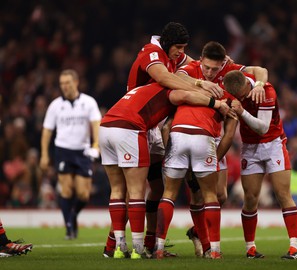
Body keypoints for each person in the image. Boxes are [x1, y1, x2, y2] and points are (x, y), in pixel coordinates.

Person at [102, 22, 224, 258]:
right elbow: (166, 79)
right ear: (168, 43)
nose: (181, 52)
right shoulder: (152, 51)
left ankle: (149, 244)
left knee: (157, 186)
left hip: (149, 125)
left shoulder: (174, 56)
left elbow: (195, 63)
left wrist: (224, 63)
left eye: (183, 48)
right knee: (131, 191)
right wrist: (202, 85)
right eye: (178, 47)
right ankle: (114, 246)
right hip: (135, 122)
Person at [175, 41, 268, 257]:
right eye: (206, 67)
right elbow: (176, 77)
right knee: (200, 195)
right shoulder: (193, 69)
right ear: (200, 60)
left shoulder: (230, 69)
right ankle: (208, 244)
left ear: (223, 63)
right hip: (192, 133)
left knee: (220, 195)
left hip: (215, 137)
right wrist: (200, 83)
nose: (209, 72)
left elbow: (261, 71)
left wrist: (260, 85)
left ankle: (197, 232)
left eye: (214, 69)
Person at [223, 70, 297, 260]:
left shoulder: (266, 91)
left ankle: (295, 248)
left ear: (246, 84)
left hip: (273, 144)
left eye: (242, 94)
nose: (240, 98)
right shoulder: (236, 88)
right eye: (237, 97)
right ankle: (250, 248)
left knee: (283, 194)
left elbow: (263, 128)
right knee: (250, 198)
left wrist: (241, 111)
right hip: (250, 148)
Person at [153, 84, 237, 259]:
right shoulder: (227, 99)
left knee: (169, 194)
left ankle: (158, 247)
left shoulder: (186, 94)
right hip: (203, 137)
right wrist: (211, 163)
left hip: (177, 136)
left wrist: (170, 157)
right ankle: (213, 250)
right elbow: (229, 135)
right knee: (210, 195)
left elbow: (166, 128)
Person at [40, 69, 101, 240]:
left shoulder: (89, 102)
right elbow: (47, 131)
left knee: (83, 194)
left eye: (67, 83)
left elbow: (96, 124)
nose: (64, 87)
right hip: (63, 150)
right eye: (62, 84)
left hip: (83, 151)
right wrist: (44, 154)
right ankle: (69, 227)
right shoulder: (55, 105)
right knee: (66, 191)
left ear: (76, 82)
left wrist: (96, 145)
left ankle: (73, 214)